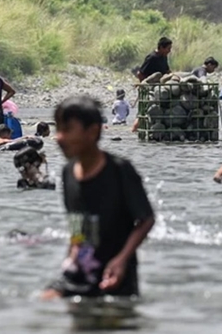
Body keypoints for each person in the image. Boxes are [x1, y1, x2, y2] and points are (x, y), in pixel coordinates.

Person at [42, 96, 154, 299]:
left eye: (67, 129)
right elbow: (76, 224)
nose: (59, 137)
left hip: (115, 278)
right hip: (79, 272)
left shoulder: (120, 170)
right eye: (58, 129)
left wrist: (121, 259)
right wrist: (71, 259)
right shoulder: (68, 173)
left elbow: (146, 219)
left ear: (92, 131)